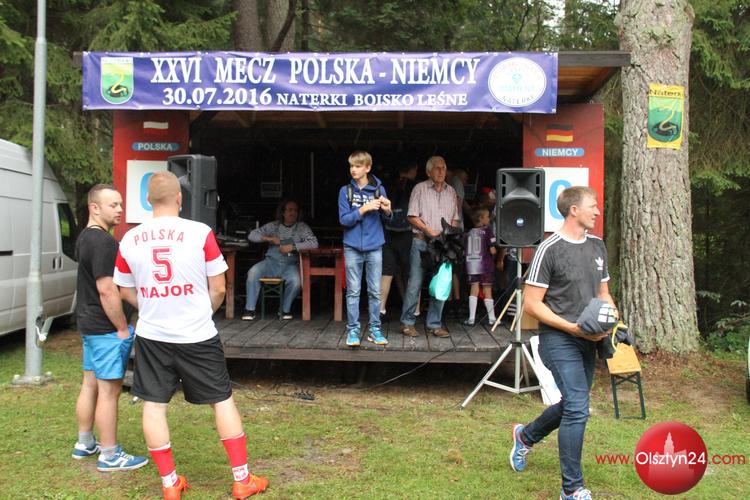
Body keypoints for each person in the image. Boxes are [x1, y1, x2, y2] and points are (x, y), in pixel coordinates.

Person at [114, 171, 268, 499]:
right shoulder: (200, 233)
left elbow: (124, 290)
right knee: (221, 400)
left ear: (148, 200)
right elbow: (219, 287)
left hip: (153, 335)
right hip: (197, 334)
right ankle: (242, 479)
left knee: (154, 405)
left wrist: (152, 308)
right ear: (180, 198)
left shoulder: (129, 239)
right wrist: (201, 311)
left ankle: (170, 483)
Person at [509, 186, 615, 500]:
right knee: (579, 409)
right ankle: (572, 489)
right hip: (558, 339)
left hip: (589, 341)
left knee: (573, 404)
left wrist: (611, 321)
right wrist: (572, 327)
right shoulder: (549, 249)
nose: (597, 211)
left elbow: (604, 294)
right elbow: (532, 304)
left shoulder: (597, 246)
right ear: (574, 210)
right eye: (592, 206)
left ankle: (525, 436)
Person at [72, 184, 148, 472]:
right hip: (105, 328)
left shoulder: (85, 237)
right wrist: (121, 328)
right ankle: (110, 455)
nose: (120, 210)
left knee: (90, 383)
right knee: (109, 391)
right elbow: (107, 290)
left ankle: (85, 442)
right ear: (94, 208)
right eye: (113, 205)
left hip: (89, 323)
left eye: (120, 204)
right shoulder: (104, 242)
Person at [399, 156, 460, 338]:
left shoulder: (451, 191)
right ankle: (407, 323)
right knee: (415, 283)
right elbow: (411, 216)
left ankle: (434, 324)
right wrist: (429, 230)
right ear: (428, 172)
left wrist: (448, 233)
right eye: (437, 168)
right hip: (421, 241)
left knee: (440, 283)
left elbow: (455, 218)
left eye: (443, 168)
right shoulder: (419, 188)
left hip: (442, 245)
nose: (441, 171)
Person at [338, 151, 392, 347]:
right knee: (353, 291)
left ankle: (375, 330)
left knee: (375, 291)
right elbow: (344, 220)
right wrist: (363, 209)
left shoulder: (379, 189)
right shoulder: (345, 191)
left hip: (374, 246)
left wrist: (387, 209)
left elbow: (388, 219)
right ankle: (353, 330)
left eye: (358, 166)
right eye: (351, 166)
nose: (353, 169)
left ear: (367, 168)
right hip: (352, 246)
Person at [242, 199, 318, 320]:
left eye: (295, 211)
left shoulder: (302, 227)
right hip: (270, 263)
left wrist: (293, 247)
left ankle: (284, 309)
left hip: (290, 265)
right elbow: (252, 235)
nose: (293, 213)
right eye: (290, 210)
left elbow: (314, 243)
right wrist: (269, 239)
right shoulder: (273, 226)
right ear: (283, 212)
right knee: (253, 272)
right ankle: (249, 309)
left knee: (296, 282)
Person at [380, 163, 418, 318]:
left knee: (387, 273)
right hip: (407, 234)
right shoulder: (414, 187)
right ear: (412, 170)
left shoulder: (386, 185)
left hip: (388, 235)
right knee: (411, 273)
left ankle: (380, 310)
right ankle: (414, 310)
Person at [463, 207, 497, 326]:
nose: (489, 219)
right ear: (481, 218)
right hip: (485, 265)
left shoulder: (469, 233)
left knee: (474, 289)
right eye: (487, 217)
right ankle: (492, 319)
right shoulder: (487, 231)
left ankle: (471, 318)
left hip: (472, 265)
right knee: (487, 290)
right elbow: (492, 250)